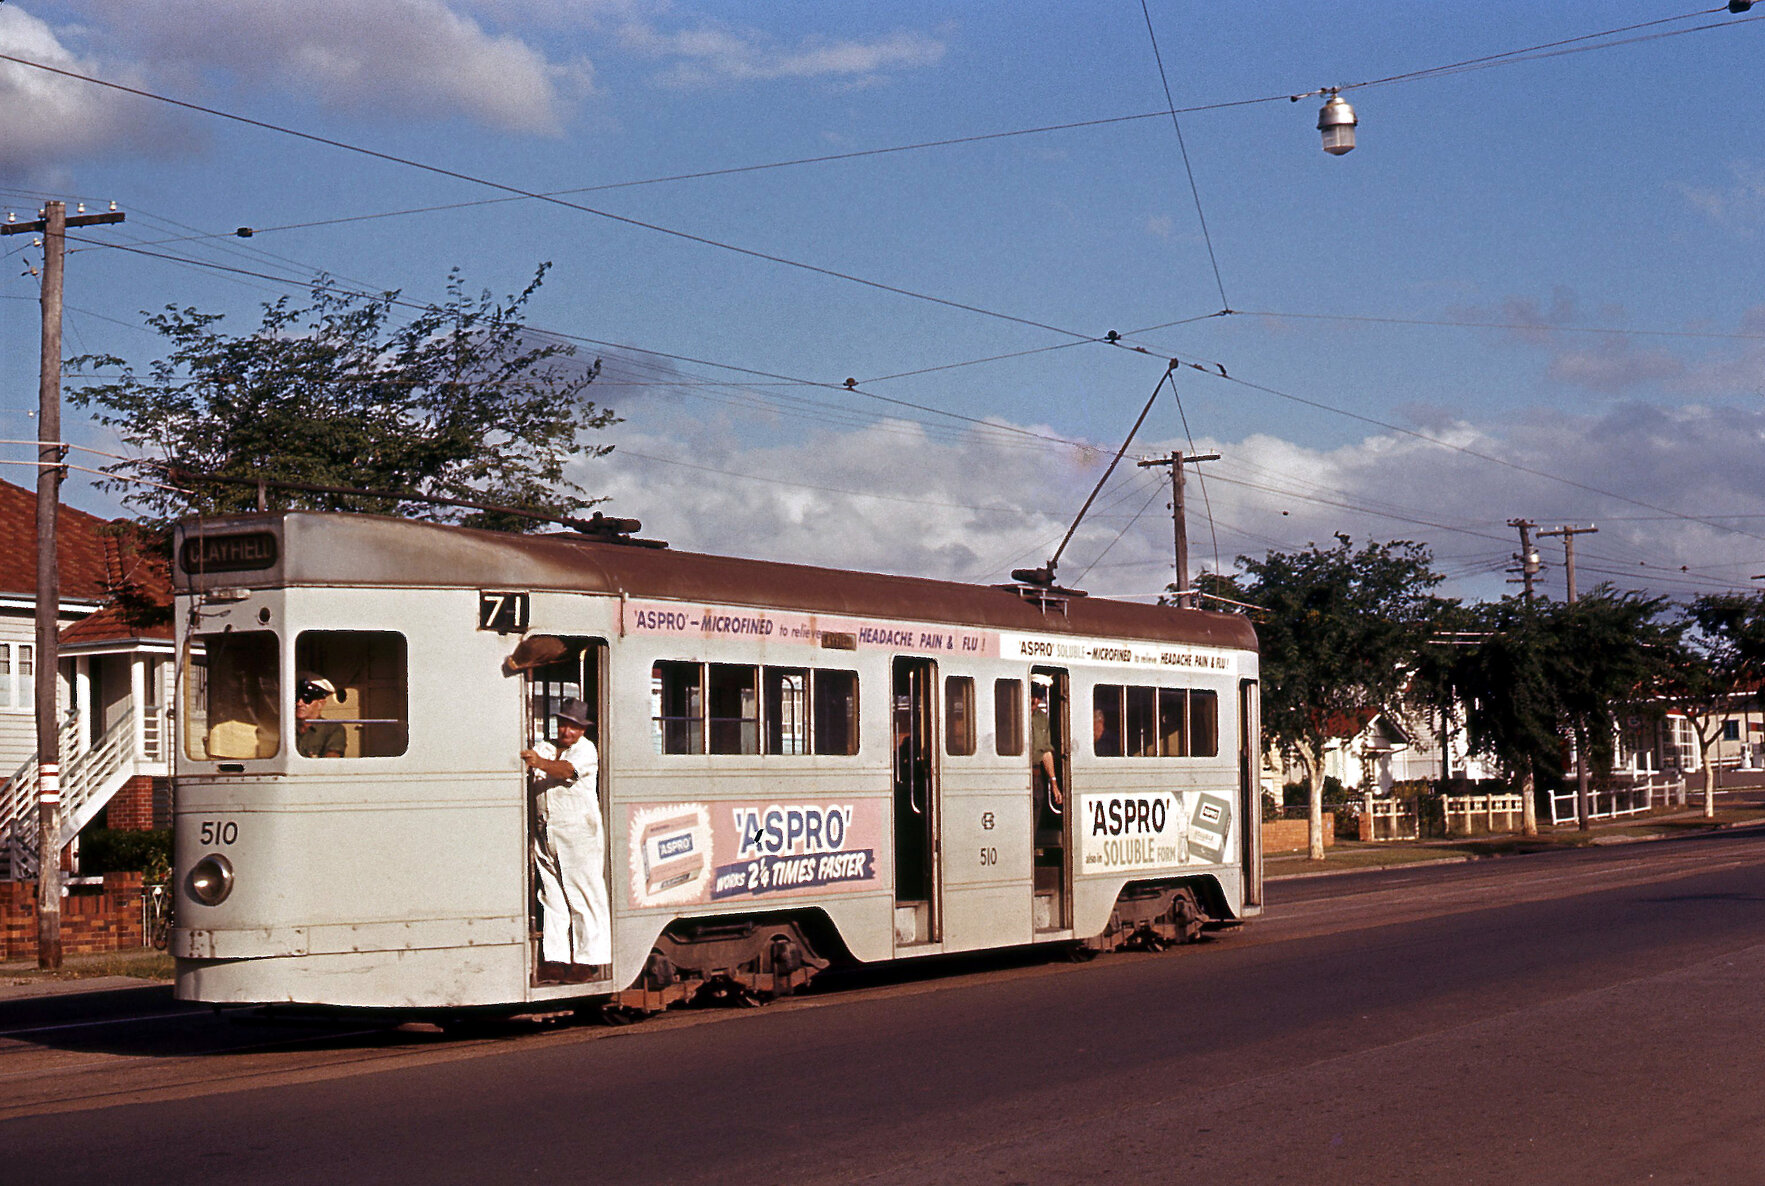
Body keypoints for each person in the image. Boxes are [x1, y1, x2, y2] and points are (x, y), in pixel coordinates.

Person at [521, 697, 611, 979]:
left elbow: (565, 771)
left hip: (578, 831)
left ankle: (589, 959)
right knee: (552, 897)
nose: (567, 731)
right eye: (564, 724)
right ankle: (556, 959)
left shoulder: (585, 750)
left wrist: (538, 762)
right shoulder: (545, 747)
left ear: (583, 730)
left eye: (574, 727)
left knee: (584, 894)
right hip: (547, 830)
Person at [294, 673, 346, 758]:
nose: (299, 703)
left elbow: (330, 764)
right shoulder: (283, 728)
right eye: (296, 698)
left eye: (307, 699)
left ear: (321, 703)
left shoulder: (333, 729)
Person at [1030, 680, 1062, 811]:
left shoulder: (1042, 718)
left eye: (1039, 697)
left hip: (1036, 775)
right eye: (1033, 695)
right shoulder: (1013, 713)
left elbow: (1046, 752)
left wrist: (1054, 784)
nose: (1035, 701)